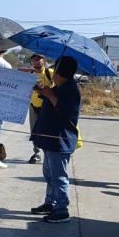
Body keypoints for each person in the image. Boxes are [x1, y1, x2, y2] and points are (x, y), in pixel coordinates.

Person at [30, 56, 81, 223]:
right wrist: (42, 91)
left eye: (56, 70)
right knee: (49, 174)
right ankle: (50, 203)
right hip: (50, 139)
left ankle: (62, 209)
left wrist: (50, 94)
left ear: (62, 73)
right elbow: (50, 99)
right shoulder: (60, 87)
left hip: (60, 140)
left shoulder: (71, 89)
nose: (54, 74)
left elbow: (65, 111)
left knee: (59, 176)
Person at [19, 54, 54, 164]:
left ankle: (49, 153)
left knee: (48, 130)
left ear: (44, 60)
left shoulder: (50, 73)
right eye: (34, 59)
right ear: (32, 62)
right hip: (33, 105)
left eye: (39, 59)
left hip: (47, 107)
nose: (36, 61)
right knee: (34, 130)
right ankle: (37, 153)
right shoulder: (30, 75)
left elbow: (56, 88)